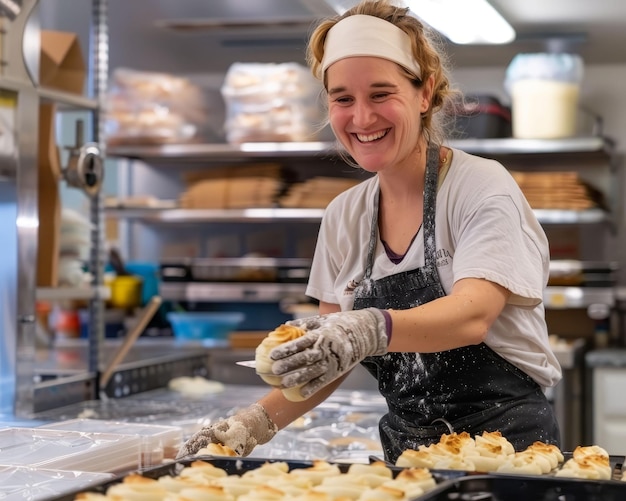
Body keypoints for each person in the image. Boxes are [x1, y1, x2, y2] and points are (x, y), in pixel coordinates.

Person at [177, 0, 562, 463]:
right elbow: (324, 361)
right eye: (343, 98)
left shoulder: (480, 187)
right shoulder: (344, 215)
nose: (361, 118)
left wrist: (367, 326)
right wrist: (251, 424)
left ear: (425, 94)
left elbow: (471, 316)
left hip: (509, 454)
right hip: (409, 462)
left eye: (381, 94)